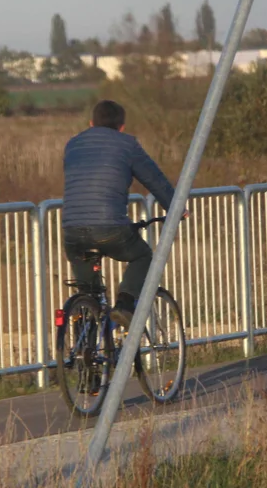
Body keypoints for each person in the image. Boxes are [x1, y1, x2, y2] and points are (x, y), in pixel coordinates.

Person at [62, 99, 184, 330]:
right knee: (143, 256)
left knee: (87, 292)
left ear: (91, 124)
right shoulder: (128, 145)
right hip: (110, 228)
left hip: (72, 230)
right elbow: (154, 180)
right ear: (122, 127)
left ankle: (84, 349)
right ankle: (125, 305)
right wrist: (176, 208)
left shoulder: (73, 144)